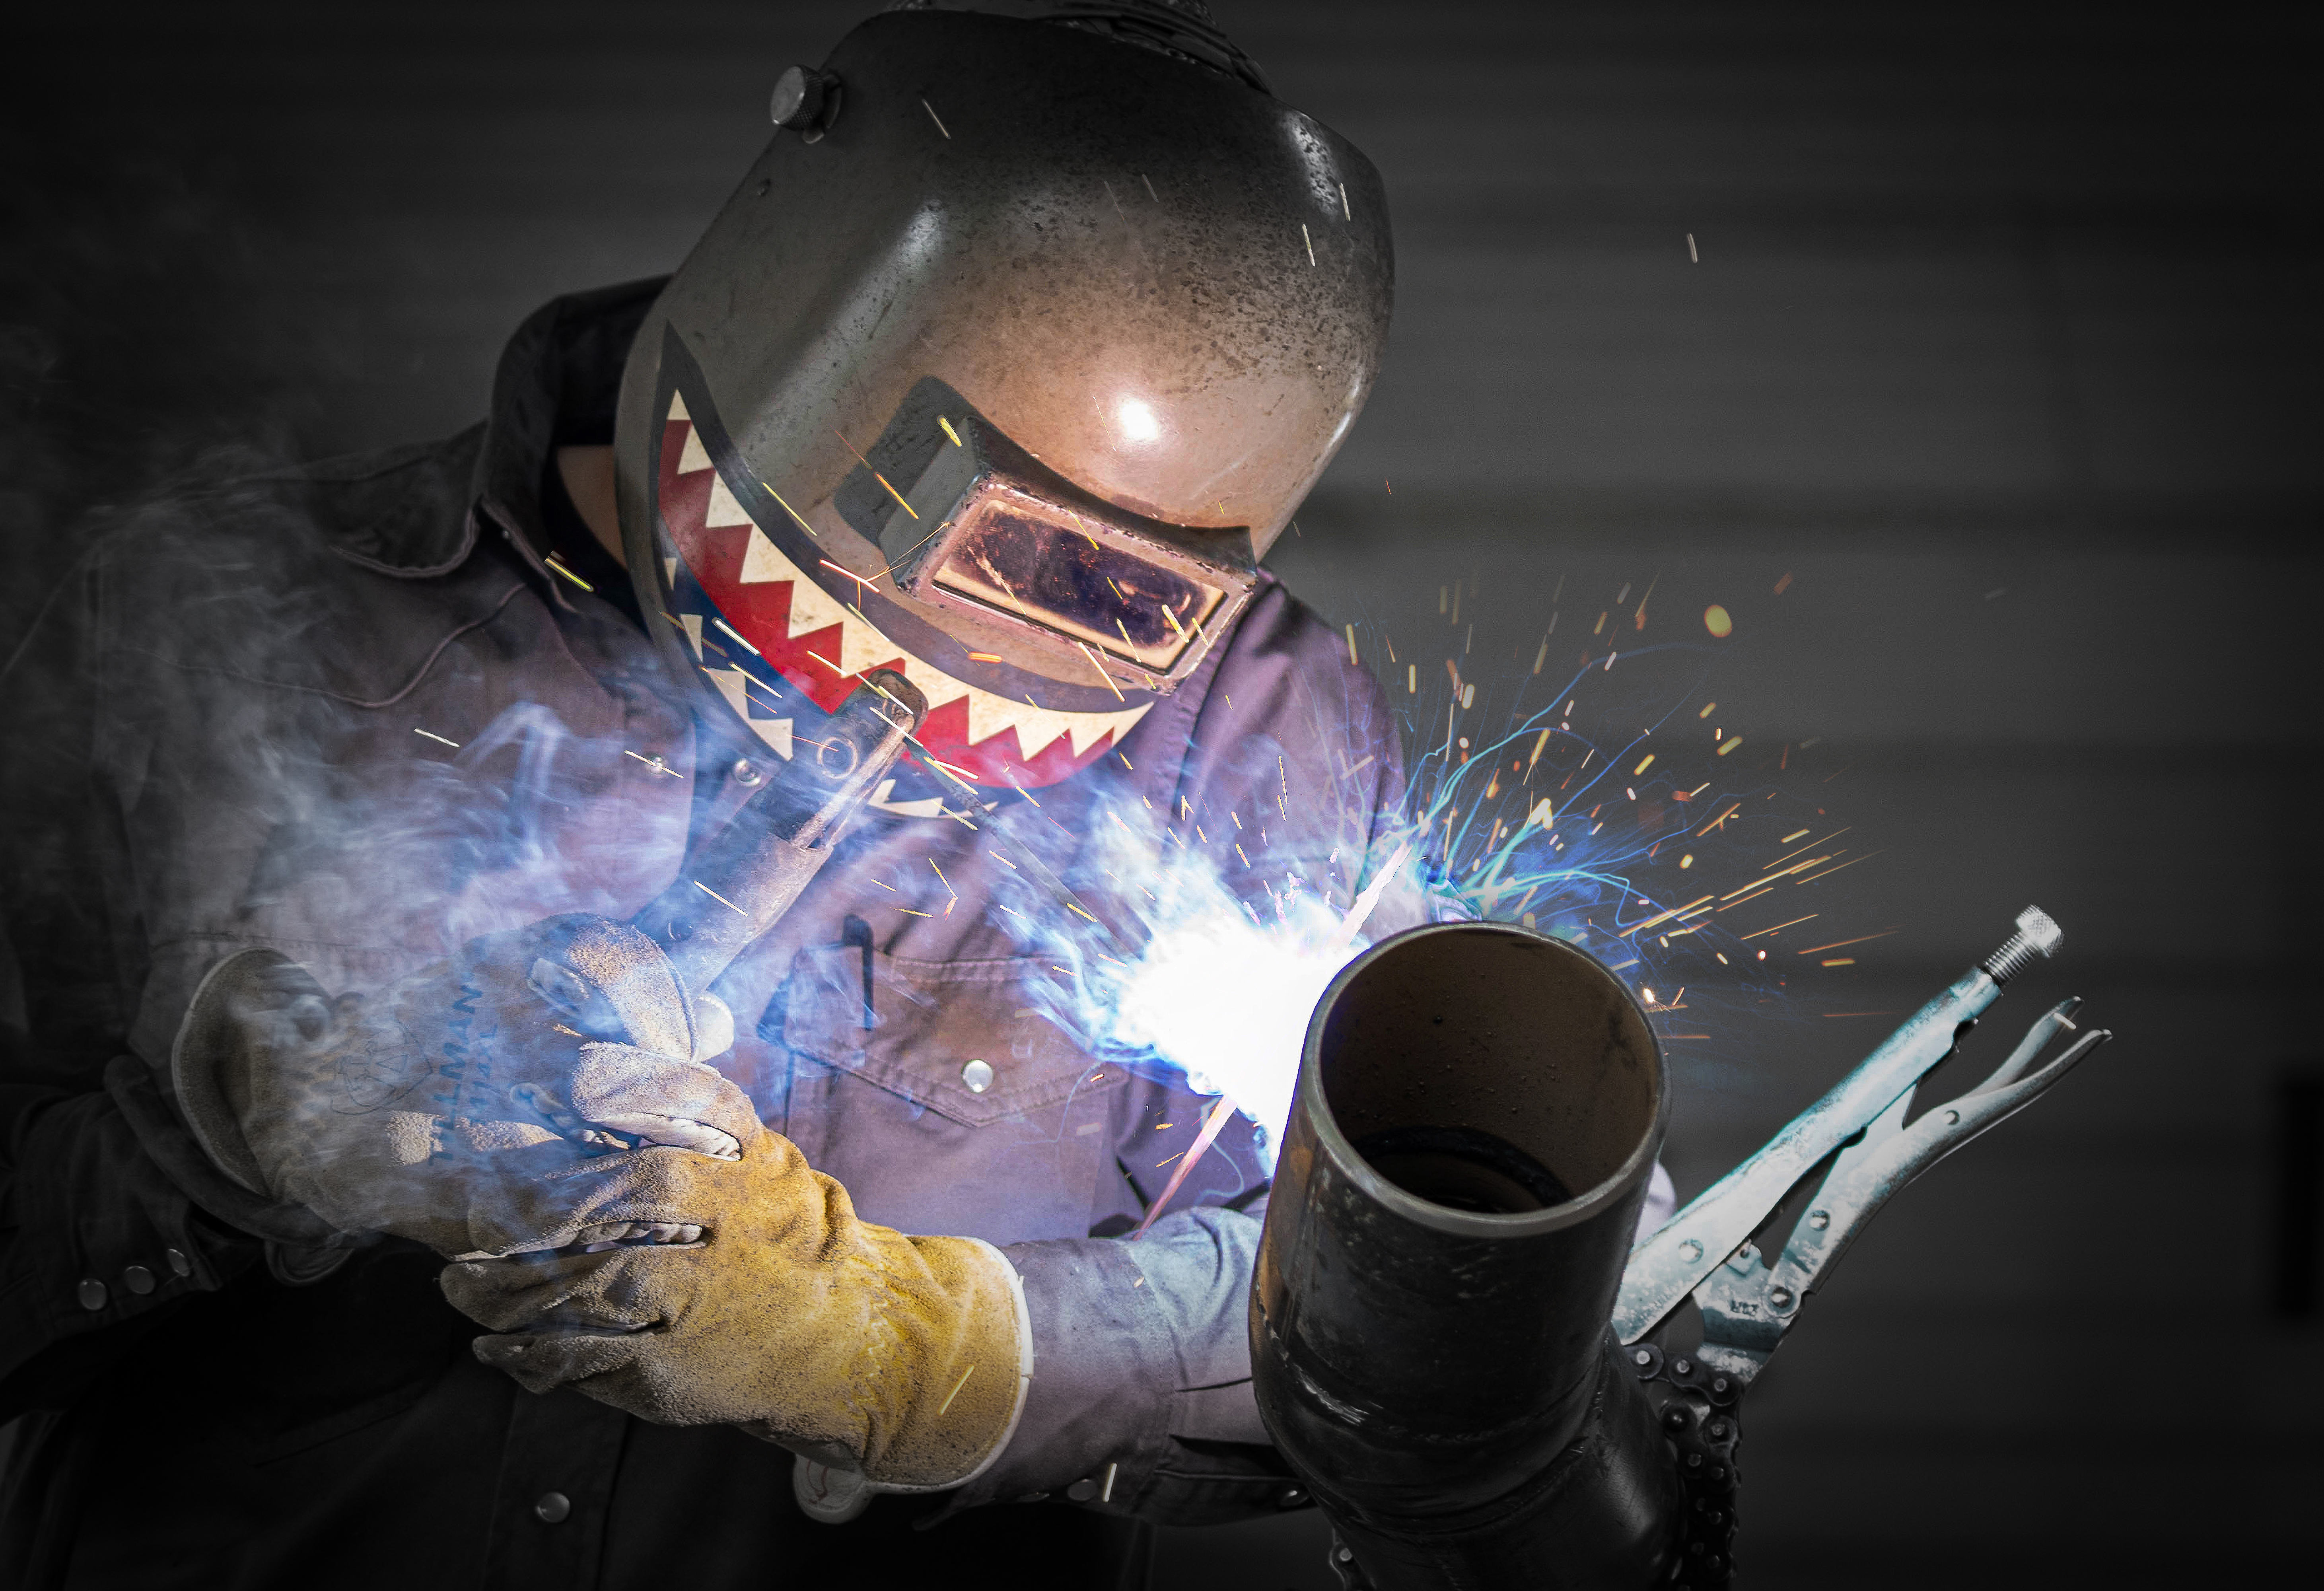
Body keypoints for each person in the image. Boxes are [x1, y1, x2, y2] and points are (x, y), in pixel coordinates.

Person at [0, 4, 1449, 1586]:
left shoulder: (1249, 736)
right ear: (807, 327)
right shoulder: (229, 618)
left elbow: (1413, 1324)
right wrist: (234, 1132)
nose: (905, 734)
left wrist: (910, 1351)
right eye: (844, 659)